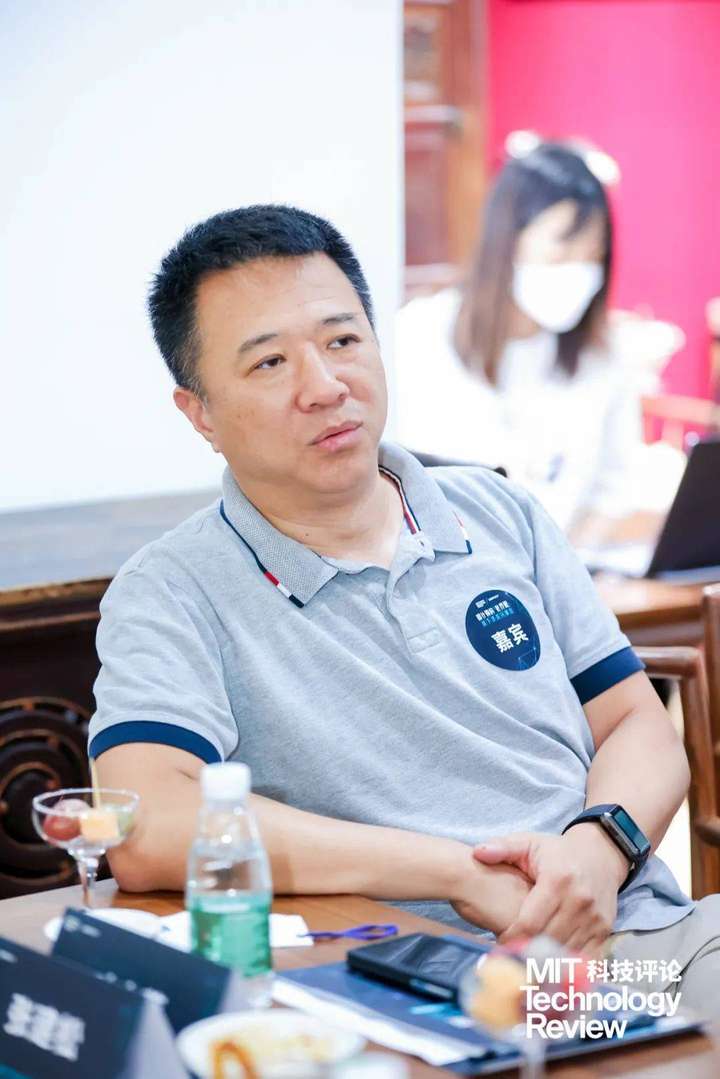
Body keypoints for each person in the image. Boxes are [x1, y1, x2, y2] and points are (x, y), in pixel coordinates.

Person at [90, 204, 720, 1015]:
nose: (325, 387)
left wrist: (599, 848)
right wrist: (454, 872)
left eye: (342, 340)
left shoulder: (497, 511)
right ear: (200, 412)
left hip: (636, 941)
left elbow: (637, 721)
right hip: (405, 978)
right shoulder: (173, 587)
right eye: (270, 362)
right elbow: (144, 823)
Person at [394, 142, 642, 537]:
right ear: (507, 241)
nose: (579, 271)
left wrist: (566, 555)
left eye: (593, 256)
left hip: (560, 562)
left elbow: (615, 492)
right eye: (561, 253)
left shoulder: (602, 356)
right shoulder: (421, 334)